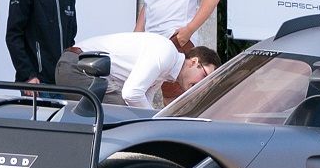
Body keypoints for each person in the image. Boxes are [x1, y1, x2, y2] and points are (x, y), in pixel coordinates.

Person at [74, 30, 218, 109]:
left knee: (127, 114)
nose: (202, 84)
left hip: (84, 68)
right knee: (122, 111)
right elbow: (131, 94)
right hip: (77, 65)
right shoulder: (166, 54)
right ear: (193, 62)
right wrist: (154, 122)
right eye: (205, 76)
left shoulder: (167, 68)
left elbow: (143, 104)